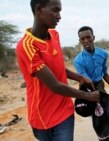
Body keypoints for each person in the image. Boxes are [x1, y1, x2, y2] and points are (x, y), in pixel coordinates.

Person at [16, 0, 100, 141]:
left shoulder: (54, 35)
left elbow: (58, 67)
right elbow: (54, 85)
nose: (59, 16)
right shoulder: (27, 46)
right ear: (39, 9)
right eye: (55, 10)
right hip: (43, 117)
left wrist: (79, 77)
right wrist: (87, 96)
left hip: (65, 111)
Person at [73, 26, 109, 96]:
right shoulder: (78, 61)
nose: (86, 41)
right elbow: (87, 81)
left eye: (88, 37)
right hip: (87, 89)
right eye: (83, 39)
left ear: (93, 38)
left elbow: (104, 73)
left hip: (100, 85)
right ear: (80, 41)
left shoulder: (103, 53)